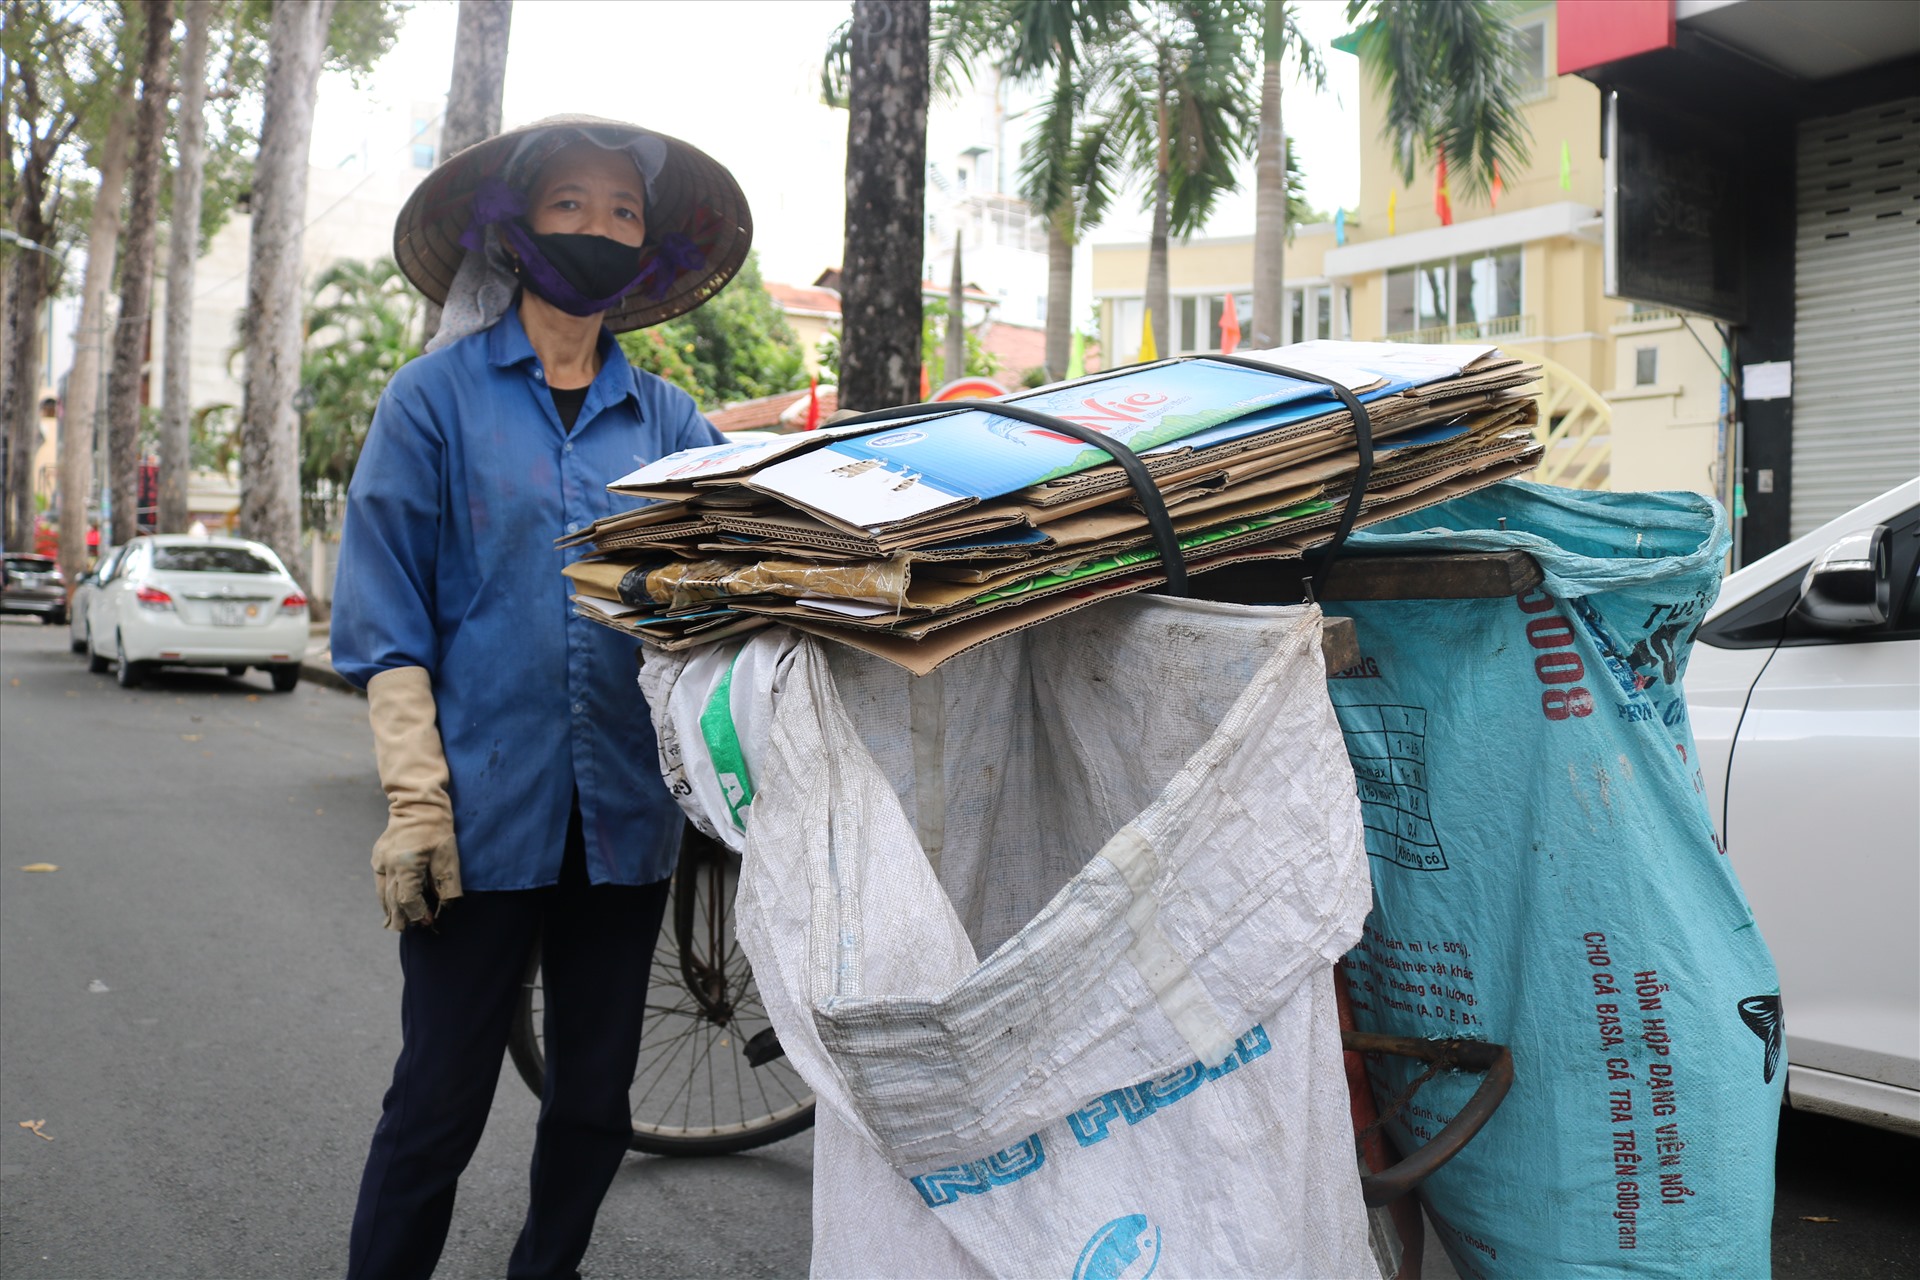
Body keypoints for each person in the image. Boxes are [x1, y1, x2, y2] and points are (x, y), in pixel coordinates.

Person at [332, 117, 752, 1280]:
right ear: (518, 229)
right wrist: (416, 801)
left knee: (594, 1099)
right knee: (438, 1101)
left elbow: (734, 554)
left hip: (622, 823)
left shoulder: (667, 422)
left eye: (624, 213)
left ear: (648, 246)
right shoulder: (432, 402)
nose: (600, 229)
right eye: (573, 204)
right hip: (479, 812)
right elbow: (384, 619)